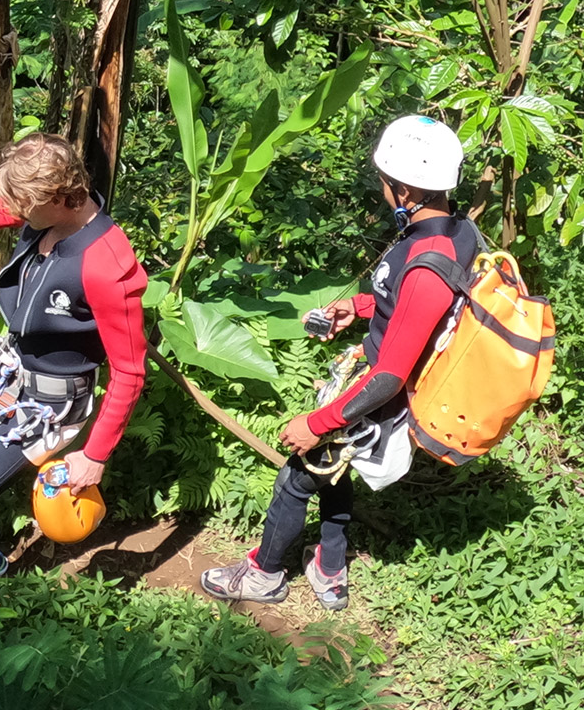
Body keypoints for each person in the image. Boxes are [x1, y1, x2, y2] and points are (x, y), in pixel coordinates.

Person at [201, 115, 477, 612]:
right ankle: (329, 565)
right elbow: (411, 309)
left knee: (299, 474)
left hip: (380, 393)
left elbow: (390, 375)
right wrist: (359, 308)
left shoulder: (429, 262)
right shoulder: (455, 231)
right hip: (378, 378)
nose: (382, 189)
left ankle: (264, 575)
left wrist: (317, 422)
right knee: (332, 471)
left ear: (406, 187)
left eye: (385, 181)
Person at [0, 133, 149, 589]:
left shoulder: (106, 265)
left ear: (59, 197)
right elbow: (1, 209)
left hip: (51, 400)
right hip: (11, 369)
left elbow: (130, 373)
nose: (15, 215)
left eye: (24, 206)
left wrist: (95, 456)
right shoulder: (51, 212)